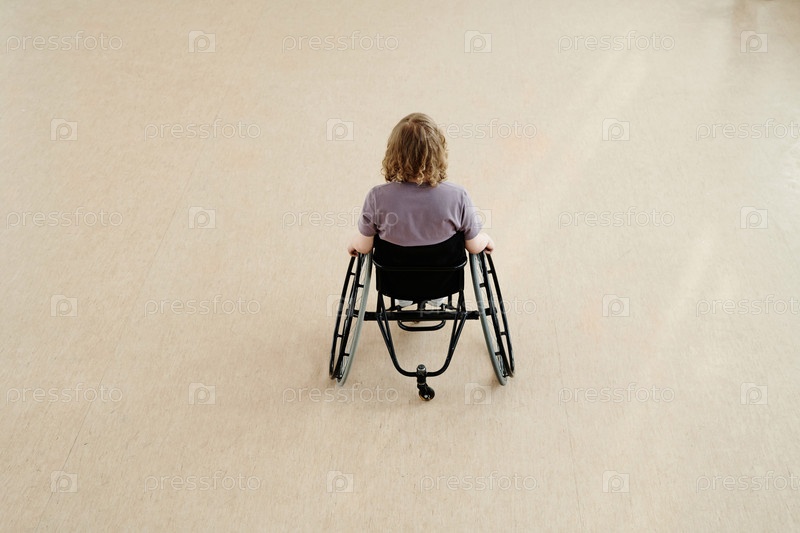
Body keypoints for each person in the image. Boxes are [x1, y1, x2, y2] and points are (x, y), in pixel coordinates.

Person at [347, 112, 494, 258]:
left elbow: (364, 247)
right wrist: (486, 239)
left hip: (395, 273)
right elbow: (474, 247)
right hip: (444, 273)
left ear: (394, 154)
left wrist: (354, 242)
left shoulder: (377, 197)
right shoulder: (458, 196)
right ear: (438, 152)